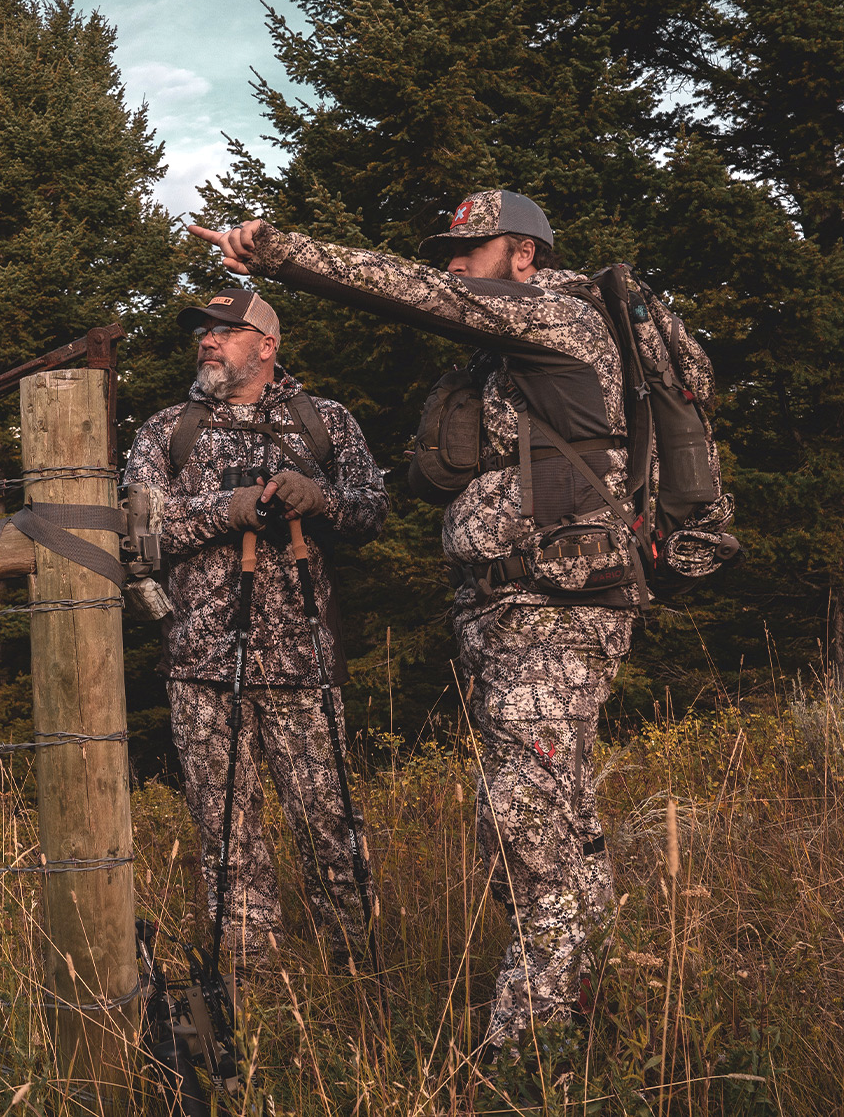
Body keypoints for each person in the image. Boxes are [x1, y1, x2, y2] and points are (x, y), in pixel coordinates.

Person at [188, 190, 733, 1054]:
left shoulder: (557, 316)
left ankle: (526, 1051)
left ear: (522, 256)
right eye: (447, 250)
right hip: (510, 611)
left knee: (522, 819)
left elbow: (414, 292)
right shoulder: (502, 364)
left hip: (557, 611)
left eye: (469, 250)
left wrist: (277, 251)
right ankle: (586, 1012)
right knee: (557, 815)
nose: (452, 266)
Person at [123, 287, 388, 965]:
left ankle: (355, 972)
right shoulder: (165, 431)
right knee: (226, 834)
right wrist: (229, 507)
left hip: (304, 663)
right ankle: (248, 979)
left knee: (330, 827)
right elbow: (142, 537)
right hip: (201, 666)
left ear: (267, 346)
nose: (208, 341)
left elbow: (371, 512)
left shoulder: (324, 421)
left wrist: (318, 496)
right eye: (203, 331)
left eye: (226, 330)